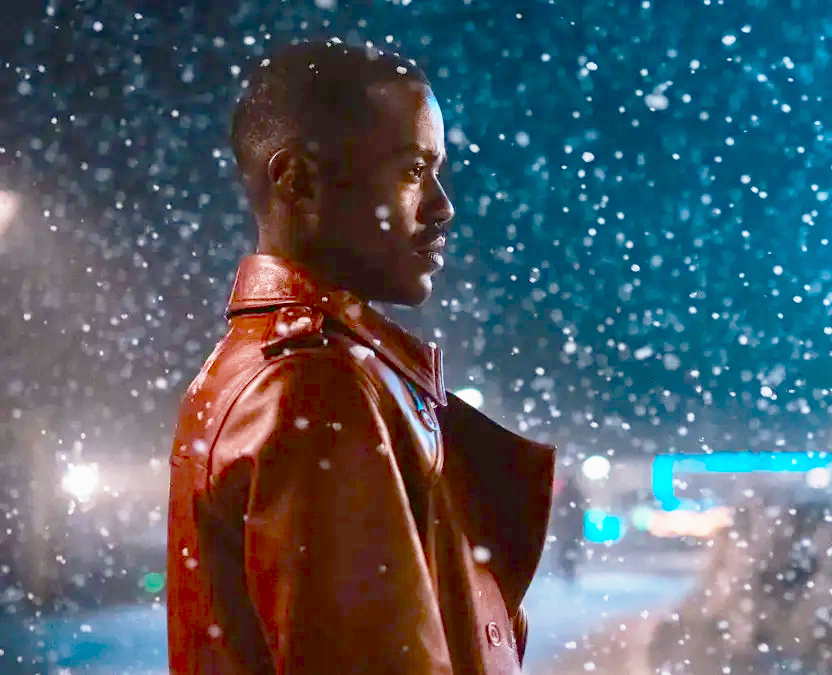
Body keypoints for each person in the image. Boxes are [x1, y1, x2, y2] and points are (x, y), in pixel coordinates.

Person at [166, 40, 557, 675]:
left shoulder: (293, 368)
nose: (443, 207)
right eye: (412, 170)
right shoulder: (314, 384)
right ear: (299, 181)